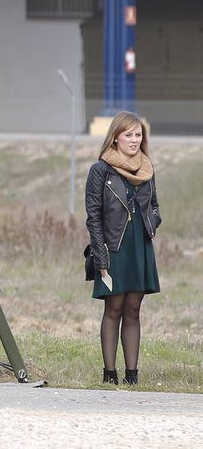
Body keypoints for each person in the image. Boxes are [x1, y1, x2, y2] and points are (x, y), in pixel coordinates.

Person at [86, 111, 162, 386]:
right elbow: (93, 216)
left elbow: (155, 206)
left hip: (139, 246)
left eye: (138, 134)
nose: (134, 139)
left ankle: (132, 375)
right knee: (114, 308)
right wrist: (100, 254)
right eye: (128, 134)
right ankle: (109, 374)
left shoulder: (147, 168)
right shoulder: (100, 170)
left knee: (133, 309)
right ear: (115, 138)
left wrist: (150, 224)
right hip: (113, 246)